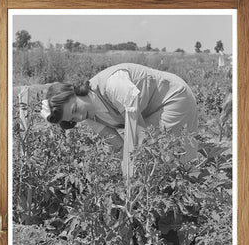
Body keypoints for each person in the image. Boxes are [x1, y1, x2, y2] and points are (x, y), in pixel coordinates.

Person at [40, 63, 198, 176]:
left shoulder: (113, 85)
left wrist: (129, 169)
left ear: (75, 92)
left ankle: (176, 212)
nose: (79, 117)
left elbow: (141, 135)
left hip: (172, 97)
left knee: (162, 153)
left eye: (75, 109)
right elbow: (119, 145)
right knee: (147, 161)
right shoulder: (87, 116)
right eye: (73, 119)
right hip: (148, 112)